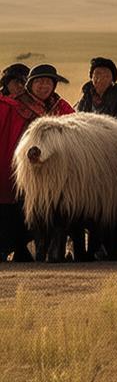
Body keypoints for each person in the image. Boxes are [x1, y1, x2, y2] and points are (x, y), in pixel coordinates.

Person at [0, 64, 75, 261]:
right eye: (39, 82)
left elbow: (75, 131)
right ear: (30, 84)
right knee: (16, 211)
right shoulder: (13, 105)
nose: (44, 86)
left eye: (48, 82)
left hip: (53, 174)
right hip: (18, 170)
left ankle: (48, 250)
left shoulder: (61, 107)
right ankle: (18, 248)